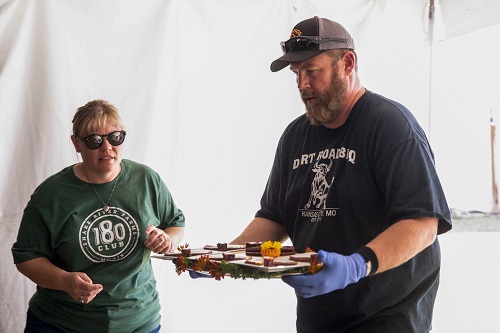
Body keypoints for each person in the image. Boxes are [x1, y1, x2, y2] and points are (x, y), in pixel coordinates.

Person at [230, 17, 452, 332]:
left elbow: (423, 223)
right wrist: (225, 256)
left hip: (386, 317)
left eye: (312, 71)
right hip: (318, 319)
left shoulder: (390, 126)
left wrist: (356, 266)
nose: (302, 85)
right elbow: (274, 216)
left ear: (347, 63)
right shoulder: (294, 137)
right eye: (296, 74)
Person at [12, 99, 185, 333]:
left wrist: (167, 240)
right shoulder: (51, 194)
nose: (106, 148)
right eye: (94, 141)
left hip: (137, 322)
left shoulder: (146, 180)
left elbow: (175, 223)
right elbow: (26, 256)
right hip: (62, 324)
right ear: (76, 143)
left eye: (115, 137)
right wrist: (64, 281)